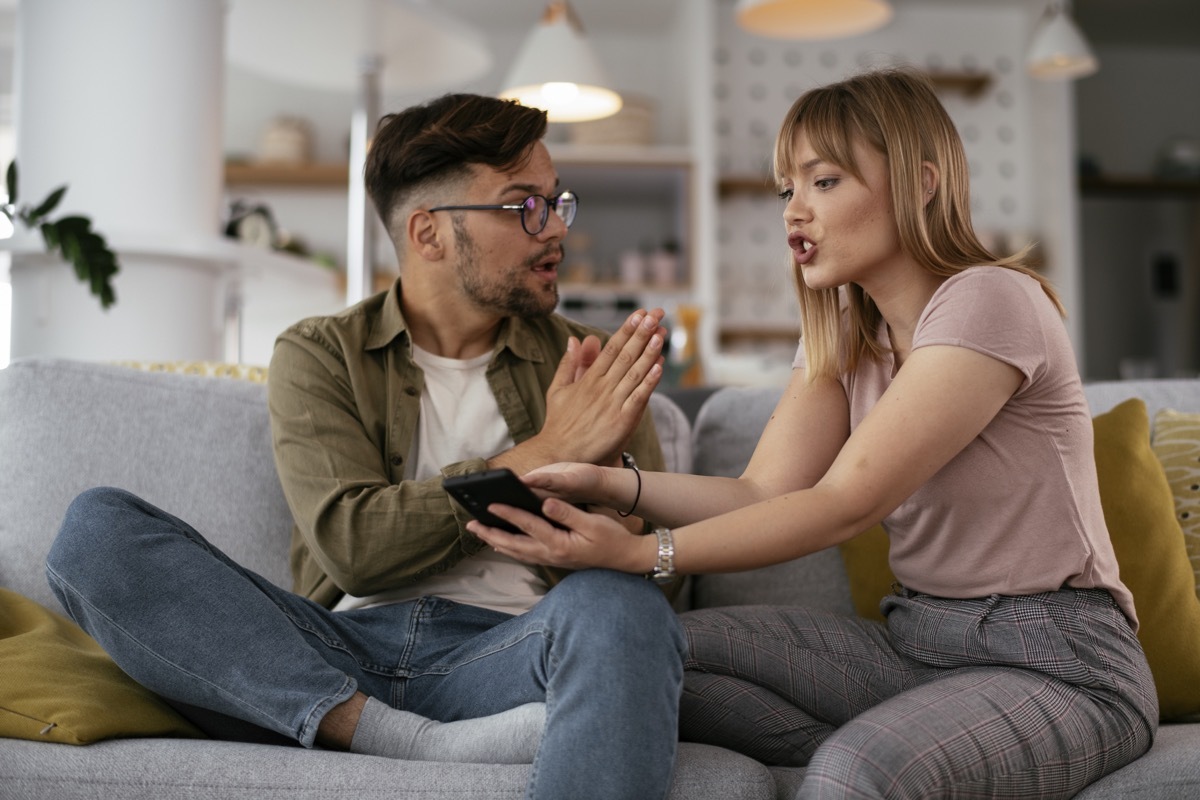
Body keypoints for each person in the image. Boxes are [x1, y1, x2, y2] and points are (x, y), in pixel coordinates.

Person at [467, 68, 1159, 799]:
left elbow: (843, 503)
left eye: (823, 182)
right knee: (635, 657)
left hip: (1057, 662)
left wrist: (642, 553)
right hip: (914, 642)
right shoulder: (844, 334)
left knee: (856, 771)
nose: (795, 210)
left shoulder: (989, 300)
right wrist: (609, 482)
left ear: (922, 182)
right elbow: (760, 491)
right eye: (785, 190)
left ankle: (902, 747)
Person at [45, 93, 687, 800]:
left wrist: (608, 501)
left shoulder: (587, 361)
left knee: (623, 613)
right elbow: (354, 547)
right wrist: (544, 451)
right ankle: (395, 736)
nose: (555, 228)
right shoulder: (322, 353)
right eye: (524, 205)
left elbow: (660, 570)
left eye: (556, 202)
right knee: (95, 532)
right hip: (333, 651)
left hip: (511, 649)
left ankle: (376, 731)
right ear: (429, 233)